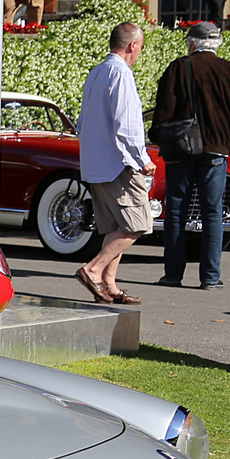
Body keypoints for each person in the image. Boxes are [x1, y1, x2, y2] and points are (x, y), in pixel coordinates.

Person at [151, 22, 230, 289]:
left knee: (176, 211)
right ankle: (210, 277)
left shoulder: (178, 67)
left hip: (182, 150)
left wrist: (158, 138)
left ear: (192, 43)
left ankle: (173, 274)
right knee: (212, 212)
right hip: (217, 151)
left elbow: (163, 109)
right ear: (217, 44)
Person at [75, 22, 154, 304]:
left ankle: (109, 284)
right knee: (137, 224)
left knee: (113, 227)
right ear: (132, 45)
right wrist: (142, 158)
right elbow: (127, 123)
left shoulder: (96, 72)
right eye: (140, 47)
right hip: (118, 163)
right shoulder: (121, 73)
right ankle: (93, 270)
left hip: (96, 164)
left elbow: (82, 122)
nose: (140, 53)